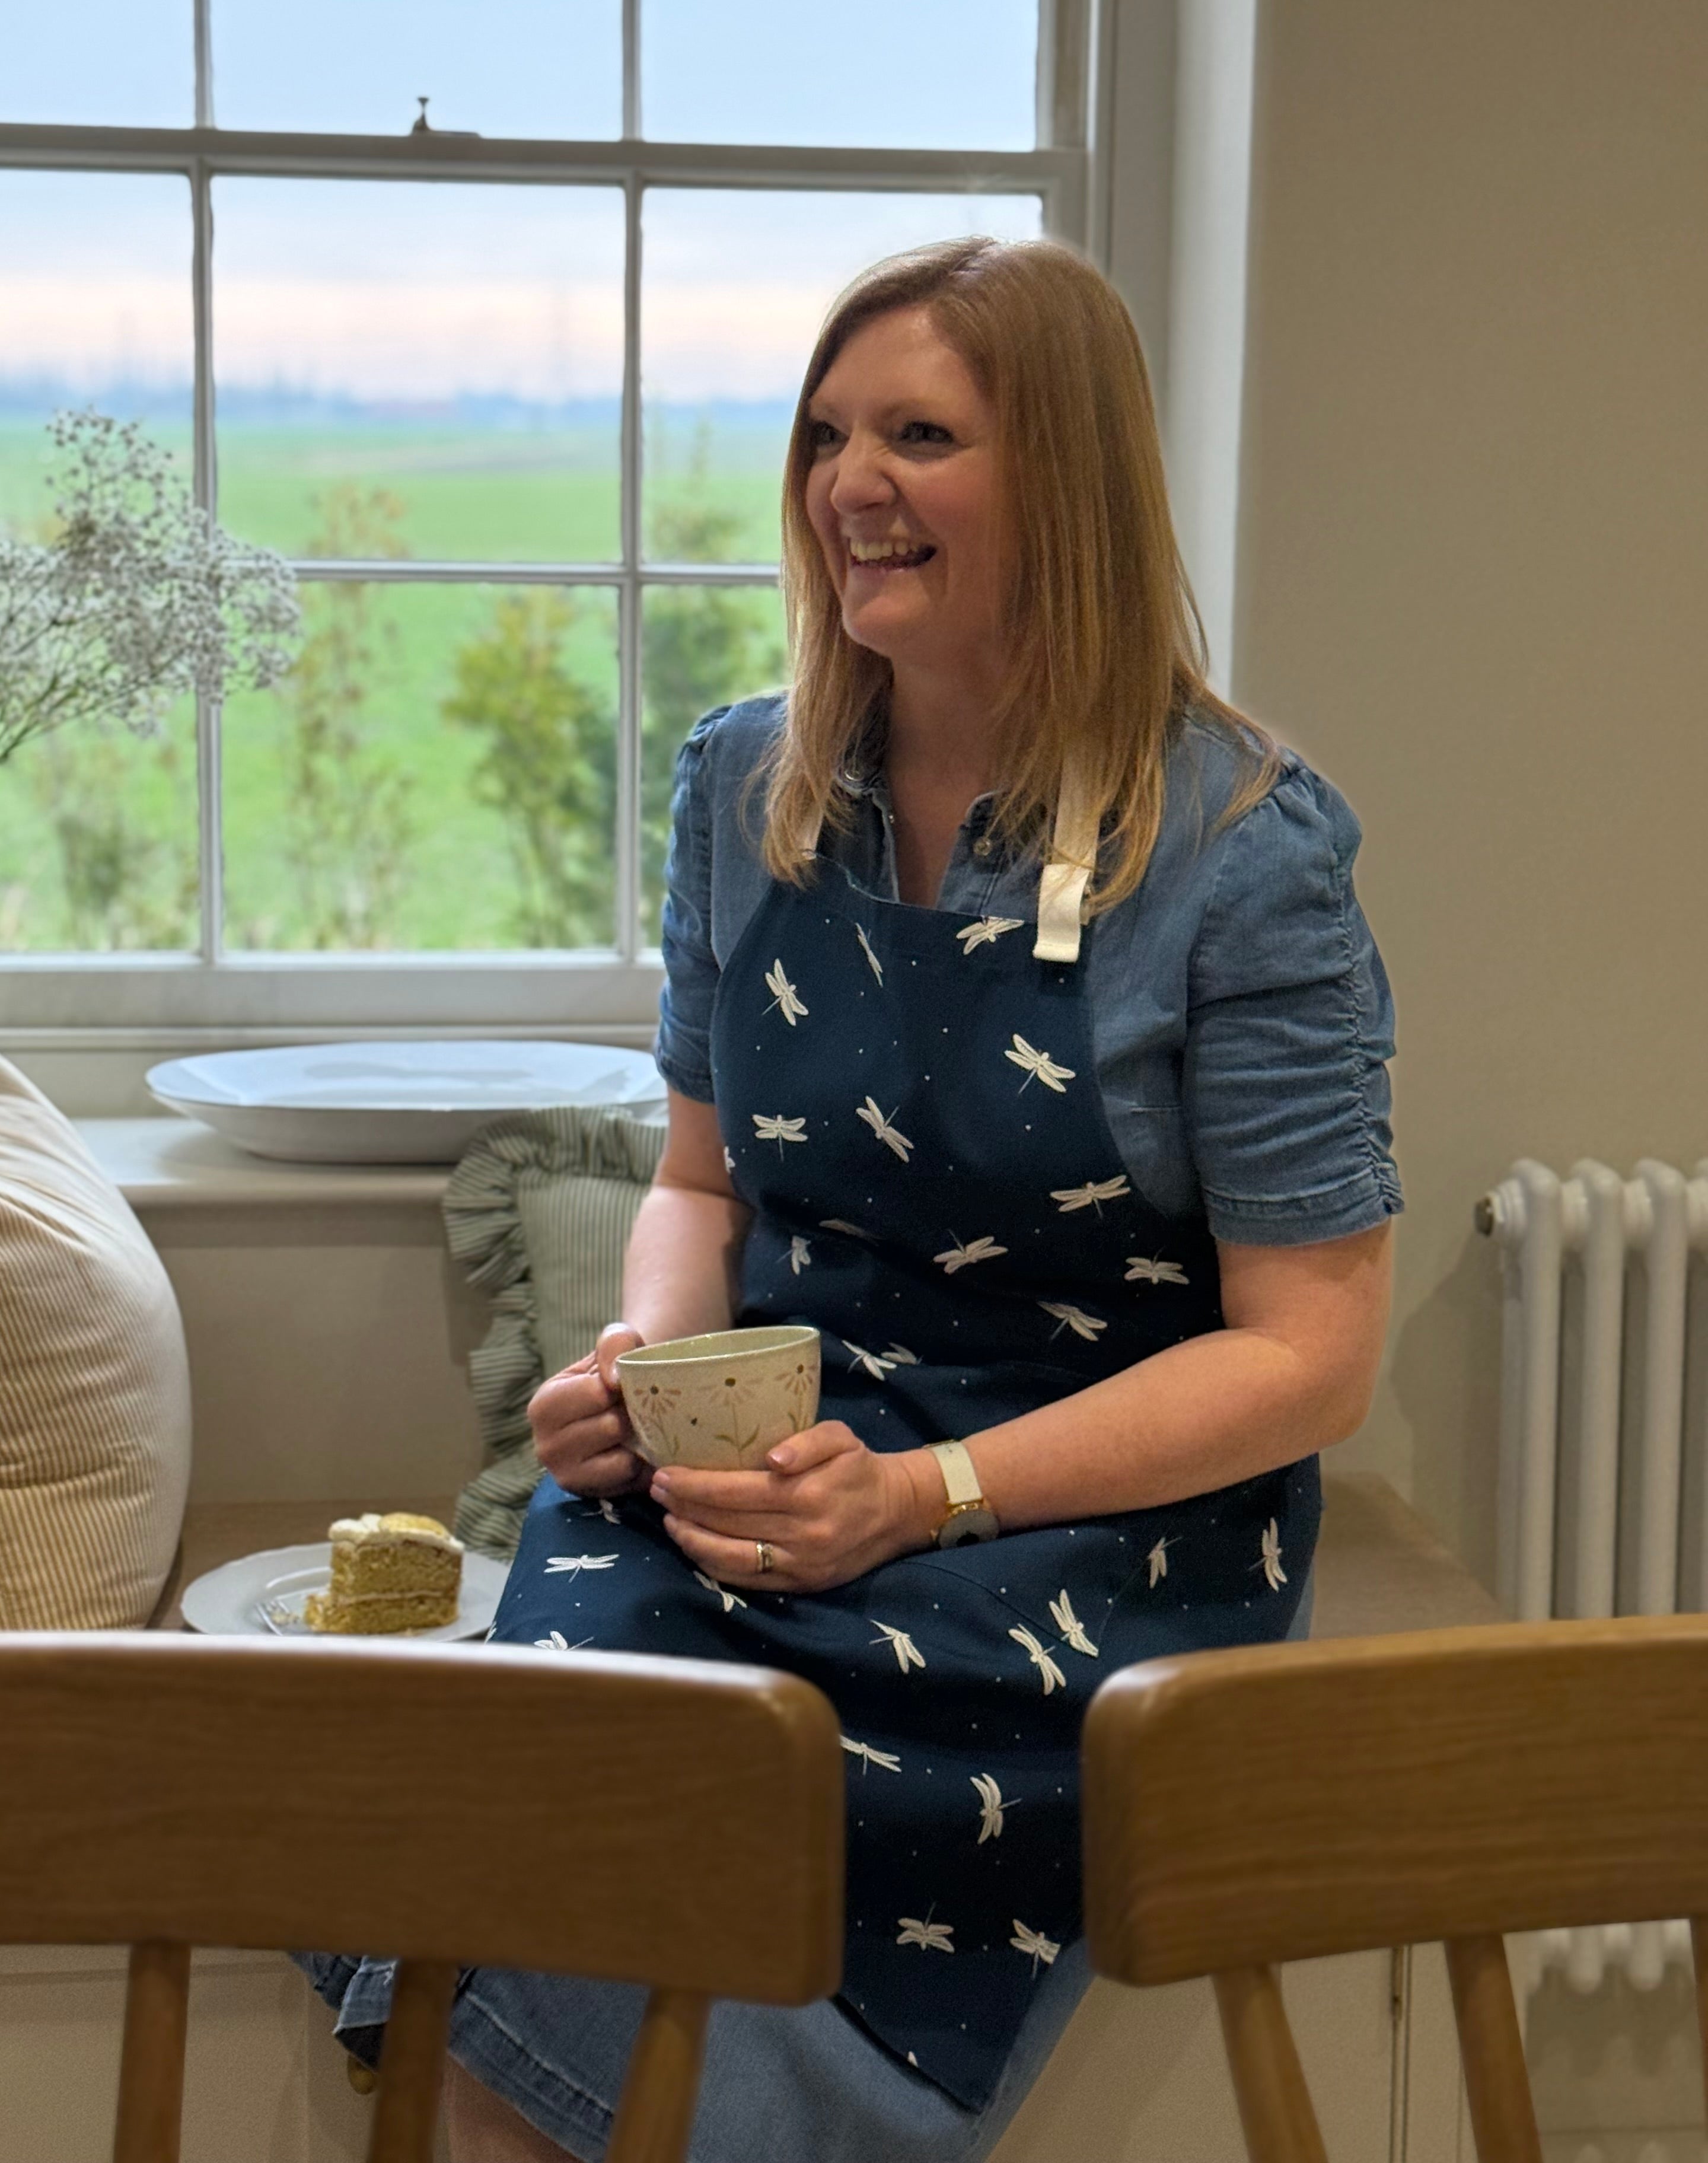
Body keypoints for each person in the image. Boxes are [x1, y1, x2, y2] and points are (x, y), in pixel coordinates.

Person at [307, 235, 1401, 2161]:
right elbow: (696, 1178)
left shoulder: (1241, 852)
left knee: (750, 1844)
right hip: (770, 1466)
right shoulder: (748, 783)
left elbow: (1313, 1359)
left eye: (919, 434)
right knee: (521, 1794)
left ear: (1064, 481)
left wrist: (918, 1497)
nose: (848, 486)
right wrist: (647, 1364)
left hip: (1083, 1531)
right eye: (828, 434)